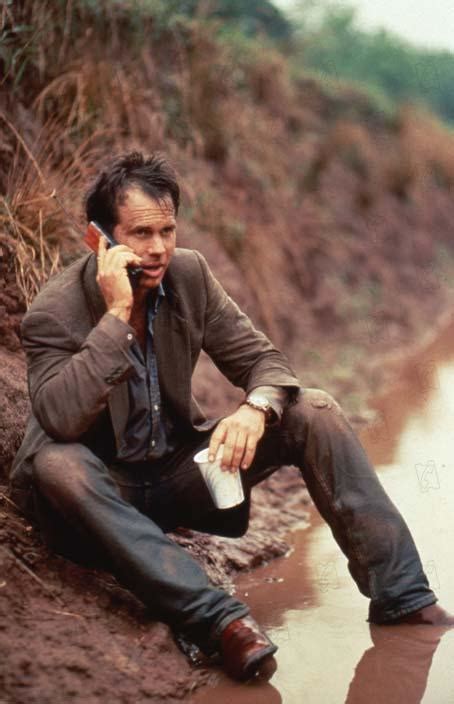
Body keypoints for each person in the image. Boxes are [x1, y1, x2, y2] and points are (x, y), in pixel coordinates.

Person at [10, 151, 454, 683]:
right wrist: (115, 317)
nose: (156, 250)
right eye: (139, 234)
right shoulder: (53, 312)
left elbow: (265, 362)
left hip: (174, 476)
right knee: (58, 464)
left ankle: (403, 597)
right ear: (98, 241)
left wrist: (254, 408)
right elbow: (58, 419)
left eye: (167, 230)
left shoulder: (189, 274)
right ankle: (218, 621)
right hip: (97, 498)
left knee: (314, 408)